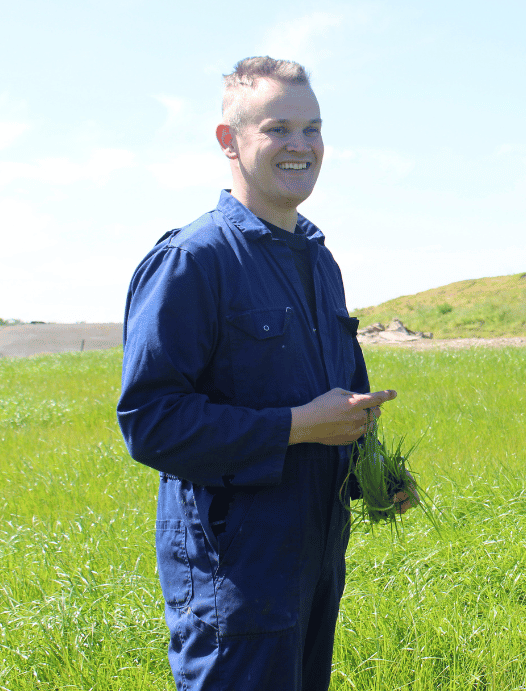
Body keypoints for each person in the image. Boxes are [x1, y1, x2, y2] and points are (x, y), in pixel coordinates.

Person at [117, 56, 411, 690]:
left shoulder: (317, 258)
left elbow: (336, 397)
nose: (301, 145)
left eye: (313, 128)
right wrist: (297, 427)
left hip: (313, 558)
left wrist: (373, 471)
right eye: (279, 128)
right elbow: (150, 422)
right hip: (234, 576)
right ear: (230, 140)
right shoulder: (193, 261)